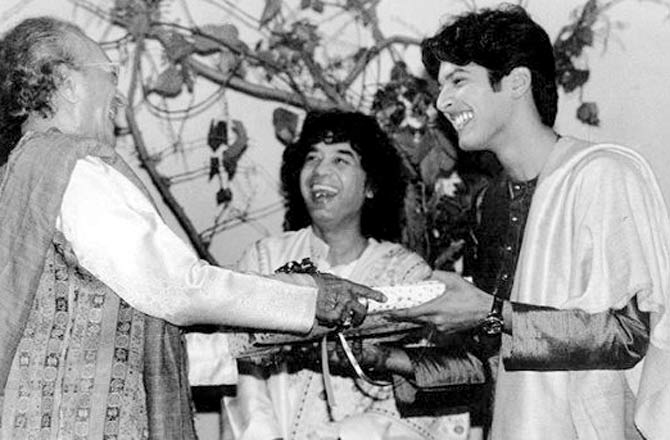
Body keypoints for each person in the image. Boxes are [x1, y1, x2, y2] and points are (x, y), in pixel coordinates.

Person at [0, 17, 384, 439]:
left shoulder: (20, 178)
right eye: (109, 73)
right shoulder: (74, 168)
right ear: (67, 82)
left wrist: (257, 337)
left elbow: (121, 349)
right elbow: (179, 288)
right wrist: (309, 297)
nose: (118, 98)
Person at [390, 5, 670, 440]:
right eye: (441, 87)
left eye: (458, 80)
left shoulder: (602, 175)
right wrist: (382, 358)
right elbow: (493, 361)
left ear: (517, 82)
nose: (442, 102)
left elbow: (629, 333)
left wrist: (492, 312)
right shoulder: (490, 204)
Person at [192, 110, 471, 440]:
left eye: (341, 160)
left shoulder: (408, 275)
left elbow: (426, 387)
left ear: (371, 185)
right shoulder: (263, 259)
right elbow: (241, 370)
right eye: (312, 158)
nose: (320, 171)